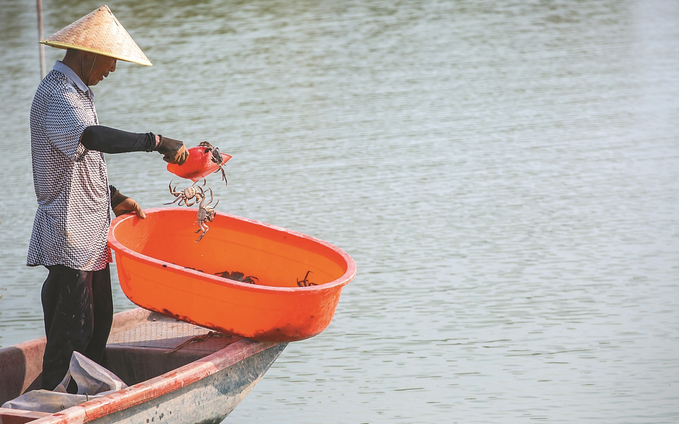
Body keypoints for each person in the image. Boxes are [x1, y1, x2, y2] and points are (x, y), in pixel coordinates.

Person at [28, 5, 189, 390]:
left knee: (97, 335)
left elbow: (78, 161)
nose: (113, 69)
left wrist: (112, 198)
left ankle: (85, 404)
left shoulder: (79, 92)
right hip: (69, 238)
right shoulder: (57, 93)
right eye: (110, 60)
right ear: (87, 54)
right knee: (68, 352)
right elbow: (93, 138)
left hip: (91, 231)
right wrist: (156, 142)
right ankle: (34, 410)